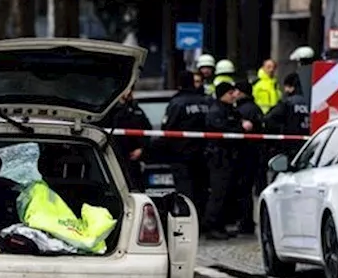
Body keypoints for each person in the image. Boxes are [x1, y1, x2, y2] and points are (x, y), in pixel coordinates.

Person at [161, 72, 213, 217]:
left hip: (181, 156)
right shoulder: (205, 102)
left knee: (185, 193)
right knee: (202, 190)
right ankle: (202, 222)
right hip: (203, 155)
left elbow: (167, 129)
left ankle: (188, 223)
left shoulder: (177, 103)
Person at [203, 81, 248, 240]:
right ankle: (212, 226)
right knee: (218, 193)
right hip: (219, 158)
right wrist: (242, 128)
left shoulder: (229, 110)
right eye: (230, 93)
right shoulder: (216, 111)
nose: (234, 95)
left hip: (230, 157)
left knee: (227, 193)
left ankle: (221, 225)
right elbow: (223, 131)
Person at [231, 81, 265, 235]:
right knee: (252, 189)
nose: (234, 94)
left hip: (244, 154)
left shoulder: (241, 110)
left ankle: (245, 222)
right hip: (255, 152)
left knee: (243, 190)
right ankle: (248, 222)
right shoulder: (255, 108)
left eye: (236, 90)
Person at [100, 89, 152, 190]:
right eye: (126, 90)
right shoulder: (111, 110)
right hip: (116, 155)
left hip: (133, 157)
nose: (129, 92)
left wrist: (141, 149)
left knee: (136, 185)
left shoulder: (136, 110)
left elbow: (147, 130)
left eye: (130, 90)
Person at [265, 73, 312, 155]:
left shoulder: (287, 103)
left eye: (286, 87)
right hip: (309, 143)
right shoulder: (310, 102)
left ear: (291, 87)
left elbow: (270, 118)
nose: (285, 90)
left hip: (290, 144)